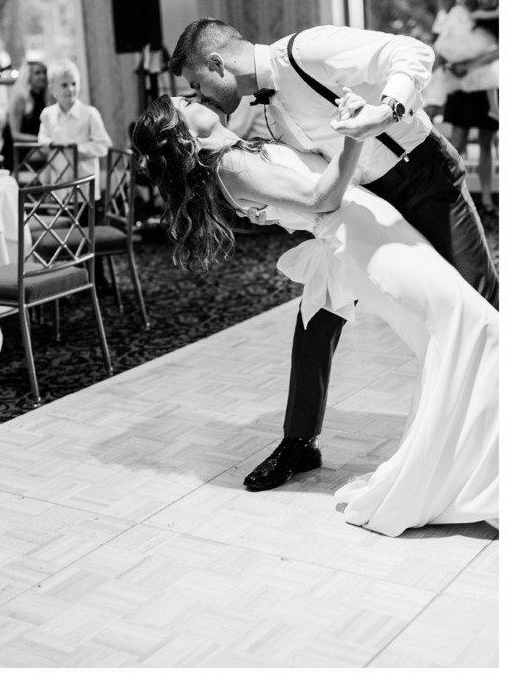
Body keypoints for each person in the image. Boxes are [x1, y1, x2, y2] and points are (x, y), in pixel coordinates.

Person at [133, 94, 497, 537]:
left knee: (463, 331)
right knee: (474, 328)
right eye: (184, 101)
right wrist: (355, 136)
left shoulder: (239, 150)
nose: (194, 96)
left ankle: (465, 466)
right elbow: (319, 198)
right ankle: (463, 476)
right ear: (185, 135)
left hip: (372, 225)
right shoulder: (229, 167)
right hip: (359, 238)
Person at [435, 0, 499, 213]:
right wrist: (451, 63)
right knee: (457, 140)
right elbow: (450, 42)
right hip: (462, 86)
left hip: (486, 85)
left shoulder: (497, 19)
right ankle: (447, 193)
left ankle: (487, 199)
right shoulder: (467, 12)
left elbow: (497, 53)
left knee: (486, 142)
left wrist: (468, 65)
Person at [37, 59, 112, 194]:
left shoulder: (90, 113)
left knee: (84, 214)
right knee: (62, 214)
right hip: (59, 183)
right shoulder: (48, 114)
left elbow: (103, 146)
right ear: (52, 89)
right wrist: (53, 144)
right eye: (64, 85)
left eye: (74, 84)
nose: (70, 89)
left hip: (84, 183)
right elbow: (42, 138)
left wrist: (78, 149)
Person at [1, 59, 49, 169]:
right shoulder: (19, 99)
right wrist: (42, 139)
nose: (42, 76)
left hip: (38, 145)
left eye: (44, 72)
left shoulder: (46, 98)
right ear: (28, 76)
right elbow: (15, 135)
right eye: (37, 73)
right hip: (18, 149)